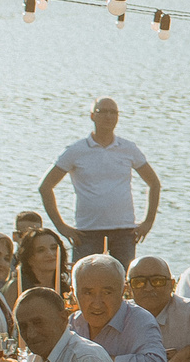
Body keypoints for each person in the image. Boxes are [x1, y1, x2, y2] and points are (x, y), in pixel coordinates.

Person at [40, 97, 161, 264]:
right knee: (85, 279)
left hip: (124, 231)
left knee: (123, 282)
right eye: (103, 111)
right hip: (87, 232)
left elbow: (154, 183)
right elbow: (45, 187)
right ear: (92, 116)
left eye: (113, 112)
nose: (108, 116)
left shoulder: (128, 148)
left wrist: (148, 221)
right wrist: (61, 226)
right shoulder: (77, 150)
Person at [9, 227, 70, 310]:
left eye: (53, 248)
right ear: (29, 258)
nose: (50, 254)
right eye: (41, 250)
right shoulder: (15, 287)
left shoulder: (67, 289)